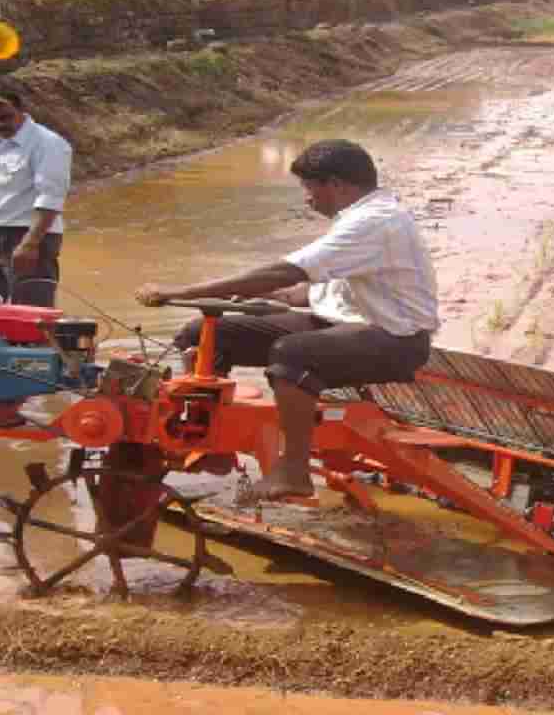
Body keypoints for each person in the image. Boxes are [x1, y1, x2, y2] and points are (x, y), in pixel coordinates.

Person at [135, 139, 439, 506]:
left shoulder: (375, 222)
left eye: (309, 188)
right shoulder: (359, 219)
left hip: (396, 342)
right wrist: (263, 295)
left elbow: (286, 271)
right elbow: (312, 294)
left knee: (292, 354)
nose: (307, 199)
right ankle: (209, 441)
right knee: (201, 334)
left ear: (337, 184)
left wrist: (181, 291)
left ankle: (293, 471)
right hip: (342, 325)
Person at [0, 77, 73, 307]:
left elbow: (50, 200)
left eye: (5, 117)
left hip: (30, 237)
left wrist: (30, 244)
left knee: (30, 316)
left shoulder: (48, 144)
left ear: (21, 109)